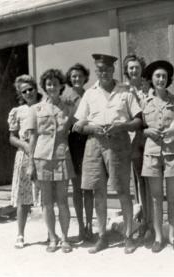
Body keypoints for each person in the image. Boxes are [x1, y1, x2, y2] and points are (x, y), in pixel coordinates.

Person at [73, 53, 142, 254]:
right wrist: (92, 128)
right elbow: (78, 126)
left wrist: (122, 126)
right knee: (98, 192)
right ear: (96, 71)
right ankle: (102, 236)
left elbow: (138, 121)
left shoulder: (125, 91)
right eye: (100, 70)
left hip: (118, 142)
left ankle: (129, 236)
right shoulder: (89, 94)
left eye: (108, 70)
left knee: (122, 190)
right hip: (94, 144)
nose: (104, 73)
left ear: (113, 71)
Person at [141, 60, 174, 253]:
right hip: (152, 154)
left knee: (172, 197)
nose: (161, 79)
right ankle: (158, 237)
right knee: (155, 198)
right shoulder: (143, 102)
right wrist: (147, 132)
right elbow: (140, 128)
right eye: (157, 76)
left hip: (172, 154)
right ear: (152, 80)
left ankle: (172, 236)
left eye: (163, 76)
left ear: (167, 79)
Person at [25, 69, 75, 253]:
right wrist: (30, 164)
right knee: (46, 202)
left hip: (62, 156)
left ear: (61, 86)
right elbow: (32, 138)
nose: (52, 87)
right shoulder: (35, 109)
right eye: (48, 84)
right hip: (42, 158)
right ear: (44, 87)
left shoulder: (68, 108)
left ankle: (65, 238)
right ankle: (52, 238)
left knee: (62, 201)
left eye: (55, 84)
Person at [8, 74, 42, 249]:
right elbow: (12, 138)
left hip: (43, 153)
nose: (28, 93)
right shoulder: (17, 111)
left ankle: (53, 234)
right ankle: (20, 234)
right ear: (20, 94)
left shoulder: (44, 106)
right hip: (24, 156)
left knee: (48, 196)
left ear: (36, 89)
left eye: (31, 89)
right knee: (23, 197)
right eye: (24, 91)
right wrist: (25, 145)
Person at [122, 54, 153, 242]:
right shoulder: (122, 90)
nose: (134, 70)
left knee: (149, 179)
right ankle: (141, 221)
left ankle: (151, 221)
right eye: (130, 68)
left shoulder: (147, 88)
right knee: (137, 181)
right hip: (131, 139)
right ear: (127, 70)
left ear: (142, 69)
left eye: (137, 67)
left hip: (147, 138)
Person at [61, 63, 94, 242]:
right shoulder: (65, 98)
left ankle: (89, 224)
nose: (77, 79)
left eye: (80, 76)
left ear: (85, 77)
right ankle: (80, 225)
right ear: (70, 78)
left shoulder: (90, 94)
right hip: (73, 143)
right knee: (76, 188)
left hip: (88, 141)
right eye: (73, 76)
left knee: (88, 187)